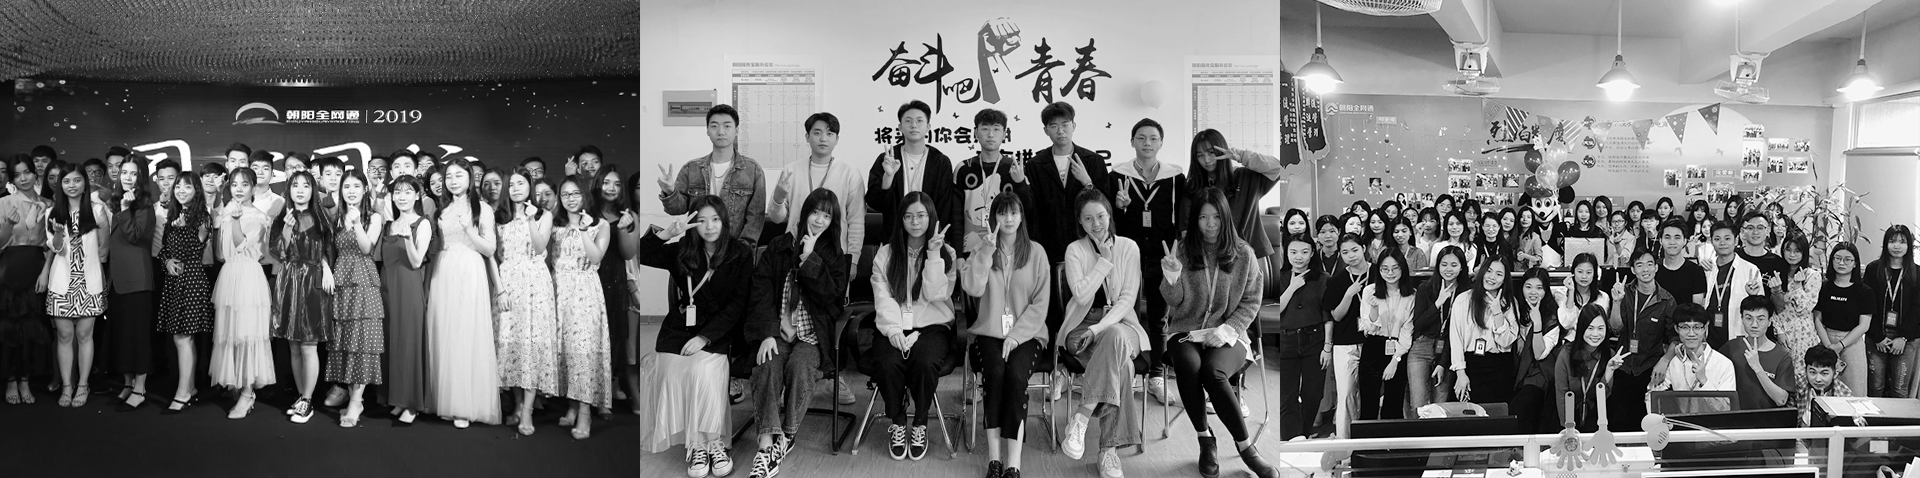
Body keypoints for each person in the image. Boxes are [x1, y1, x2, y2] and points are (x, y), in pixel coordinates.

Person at [1160, 187, 1279, 478]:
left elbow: (1252, 301)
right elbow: (1174, 302)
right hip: (1187, 331)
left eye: (1215, 216)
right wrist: (1172, 276)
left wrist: (1227, 330)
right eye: (1203, 217)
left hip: (1230, 333)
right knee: (1188, 365)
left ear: (1225, 217)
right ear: (1195, 219)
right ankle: (1205, 440)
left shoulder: (1243, 253)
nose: (1210, 224)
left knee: (1213, 373)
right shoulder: (1184, 250)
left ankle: (1247, 449)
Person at [639, 193, 750, 477]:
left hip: (719, 329)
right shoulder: (683, 250)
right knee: (670, 368)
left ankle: (713, 441)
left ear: (724, 222)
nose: (709, 226)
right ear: (693, 223)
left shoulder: (740, 253)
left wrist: (705, 338)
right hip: (682, 326)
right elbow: (641, 254)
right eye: (701, 220)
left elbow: (738, 305)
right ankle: (696, 444)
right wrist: (667, 233)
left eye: (715, 219)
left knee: (703, 371)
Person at [743, 188, 848, 476]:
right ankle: (766, 444)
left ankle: (786, 436)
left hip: (811, 336)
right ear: (805, 213)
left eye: (826, 216)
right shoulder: (779, 247)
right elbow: (760, 291)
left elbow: (832, 300)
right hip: (777, 332)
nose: (819, 220)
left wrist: (811, 259)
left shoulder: (834, 255)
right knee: (767, 364)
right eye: (815, 212)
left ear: (833, 221)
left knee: (801, 367)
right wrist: (767, 333)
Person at [959, 190, 1049, 476]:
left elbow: (1040, 304)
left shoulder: (1036, 252)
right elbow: (972, 289)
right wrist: (986, 253)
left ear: (1021, 217)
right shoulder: (981, 248)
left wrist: (1015, 336)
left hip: (1028, 335)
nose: (1008, 219)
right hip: (987, 333)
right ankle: (994, 460)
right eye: (1001, 213)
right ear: (992, 218)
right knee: (995, 374)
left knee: (1016, 376)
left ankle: (1013, 463)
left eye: (1013, 213)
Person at [1056, 189, 1146, 476]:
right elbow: (1081, 296)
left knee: (1115, 336)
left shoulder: (1129, 247)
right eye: (1088, 219)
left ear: (1110, 215)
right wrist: (1103, 262)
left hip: (1121, 324)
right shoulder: (1075, 250)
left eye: (1101, 216)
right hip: (1080, 327)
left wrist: (1099, 329)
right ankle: (1108, 452)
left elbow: (1127, 300)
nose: (1096, 224)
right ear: (1080, 222)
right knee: (1124, 367)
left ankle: (1081, 418)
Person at [871, 191, 958, 463]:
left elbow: (936, 294)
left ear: (931, 217)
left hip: (933, 324)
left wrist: (933, 254)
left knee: (924, 362)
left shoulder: (947, 253)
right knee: (886, 363)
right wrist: (894, 330)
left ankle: (920, 422)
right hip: (895, 324)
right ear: (901, 219)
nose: (915, 222)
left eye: (921, 215)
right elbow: (883, 297)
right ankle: (897, 420)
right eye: (909, 216)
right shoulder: (886, 254)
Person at [426, 157, 500, 428]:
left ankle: (465, 406)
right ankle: (445, 399)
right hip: (443, 269)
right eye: (449, 176)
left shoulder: (482, 208)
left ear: (470, 178)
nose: (453, 181)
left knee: (465, 334)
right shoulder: (442, 209)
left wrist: (470, 230)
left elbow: (490, 249)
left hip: (469, 269)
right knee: (443, 332)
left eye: (459, 175)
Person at [313, 170, 385, 427]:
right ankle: (347, 392)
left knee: (362, 340)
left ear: (365, 189)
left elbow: (367, 248)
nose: (351, 191)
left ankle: (356, 401)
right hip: (340, 280)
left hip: (363, 279)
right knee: (343, 340)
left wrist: (356, 224)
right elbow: (323, 248)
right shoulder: (334, 218)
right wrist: (325, 267)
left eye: (356, 186)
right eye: (347, 187)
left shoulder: (373, 217)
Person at [491, 168, 557, 434]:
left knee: (531, 344)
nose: (516, 188)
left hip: (535, 283)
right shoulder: (498, 217)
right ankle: (517, 404)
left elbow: (540, 248)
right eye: (512, 184)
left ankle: (528, 411)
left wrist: (530, 219)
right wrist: (499, 289)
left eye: (522, 183)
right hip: (507, 281)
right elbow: (492, 255)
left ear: (530, 186)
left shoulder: (543, 215)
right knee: (511, 345)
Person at [269, 171, 335, 424]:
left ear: (313, 190)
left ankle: (307, 400)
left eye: (305, 186)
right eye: (295, 185)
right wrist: (286, 227)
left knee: (309, 344)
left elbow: (329, 250)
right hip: (288, 281)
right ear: (288, 190)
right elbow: (278, 252)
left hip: (312, 283)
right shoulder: (282, 218)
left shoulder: (322, 218)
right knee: (293, 345)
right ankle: (301, 397)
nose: (300, 190)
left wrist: (326, 267)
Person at [209, 167, 275, 419]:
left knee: (247, 334)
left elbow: (241, 245)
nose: (238, 189)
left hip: (248, 276)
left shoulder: (259, 217)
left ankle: (248, 393)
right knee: (230, 332)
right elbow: (220, 251)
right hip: (229, 275)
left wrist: (235, 221)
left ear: (253, 188)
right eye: (234, 184)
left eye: (244, 184)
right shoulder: (227, 211)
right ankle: (236, 384)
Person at [44, 161, 110, 408]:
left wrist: (99, 276)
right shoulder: (52, 213)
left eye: (77, 180)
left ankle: (83, 385)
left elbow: (104, 249)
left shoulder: (97, 210)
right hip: (62, 282)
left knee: (84, 335)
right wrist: (58, 233)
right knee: (64, 335)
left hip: (89, 282)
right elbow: (57, 249)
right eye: (66, 181)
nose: (71, 185)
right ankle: (66, 386)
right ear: (60, 185)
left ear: (85, 183)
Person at [553, 176, 614, 440]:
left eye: (576, 193)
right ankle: (571, 405)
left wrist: (582, 230)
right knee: (565, 352)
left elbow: (596, 257)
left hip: (585, 292)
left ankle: (586, 412)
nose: (570, 198)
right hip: (558, 292)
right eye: (565, 194)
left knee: (582, 352)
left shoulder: (601, 225)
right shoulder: (554, 225)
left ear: (585, 194)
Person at [767, 112, 866, 267]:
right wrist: (778, 199)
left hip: (834, 254)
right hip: (793, 250)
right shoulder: (791, 171)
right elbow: (776, 218)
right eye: (817, 133)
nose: (823, 139)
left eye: (830, 133)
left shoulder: (850, 173)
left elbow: (856, 220)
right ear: (807, 137)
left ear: (837, 139)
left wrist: (853, 260)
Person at [659, 103, 767, 241]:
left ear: (737, 130)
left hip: (735, 247)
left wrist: (743, 250)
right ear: (707, 131)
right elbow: (676, 210)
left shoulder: (752, 170)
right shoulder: (691, 168)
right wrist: (670, 191)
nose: (721, 132)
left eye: (727, 126)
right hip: (697, 246)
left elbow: (755, 219)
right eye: (714, 126)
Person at [866, 100, 960, 252]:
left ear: (928, 127)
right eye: (908, 121)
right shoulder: (888, 158)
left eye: (919, 121)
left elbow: (944, 207)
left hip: (930, 240)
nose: (914, 125)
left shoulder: (940, 162)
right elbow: (874, 201)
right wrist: (888, 177)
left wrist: (935, 236)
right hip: (893, 237)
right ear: (900, 127)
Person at [154, 171, 212, 413]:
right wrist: (167, 262)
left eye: (187, 186)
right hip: (174, 281)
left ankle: (183, 392)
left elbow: (195, 249)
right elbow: (164, 250)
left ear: (196, 190)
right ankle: (189, 387)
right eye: (178, 186)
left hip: (193, 280)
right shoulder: (174, 215)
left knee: (183, 337)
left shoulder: (202, 217)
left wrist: (183, 229)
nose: (180, 190)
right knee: (183, 338)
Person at [1186, 129, 1289, 259]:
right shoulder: (1194, 187)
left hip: (1251, 253)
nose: (1206, 160)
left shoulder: (1244, 177)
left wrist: (1242, 156)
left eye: (1211, 153)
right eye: (1200, 155)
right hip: (1212, 256)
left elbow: (1278, 167)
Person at [379, 176, 433, 425]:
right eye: (398, 192)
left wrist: (408, 238)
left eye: (408, 192)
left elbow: (416, 261)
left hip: (409, 289)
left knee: (410, 342)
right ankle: (397, 398)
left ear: (417, 195)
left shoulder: (423, 223)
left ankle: (412, 403)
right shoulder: (388, 224)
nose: (402, 197)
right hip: (387, 287)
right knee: (392, 341)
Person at [106, 158, 157, 410]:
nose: (127, 177)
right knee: (122, 335)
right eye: (123, 172)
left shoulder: (145, 205)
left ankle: (140, 387)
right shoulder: (115, 202)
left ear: (141, 177)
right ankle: (127, 383)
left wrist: (126, 209)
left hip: (137, 281)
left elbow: (134, 235)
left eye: (133, 173)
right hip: (117, 281)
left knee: (137, 336)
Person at [0, 157, 49, 406]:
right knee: (9, 328)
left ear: (35, 174)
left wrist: (46, 271)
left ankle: (25, 380)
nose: (23, 178)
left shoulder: (49, 203)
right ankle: (10, 380)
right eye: (18, 175)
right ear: (12, 179)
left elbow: (52, 244)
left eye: (27, 172)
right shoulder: (4, 203)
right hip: (10, 267)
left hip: (38, 267)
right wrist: (8, 224)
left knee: (33, 328)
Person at [1449, 254, 1518, 406]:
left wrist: (1498, 312)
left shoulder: (1510, 303)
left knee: (1496, 416)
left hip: (1499, 367)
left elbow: (1506, 342)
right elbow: (1456, 340)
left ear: (1504, 279)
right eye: (1489, 271)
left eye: (1499, 274)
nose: (1492, 277)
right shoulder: (1463, 300)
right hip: (1470, 366)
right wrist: (1460, 373)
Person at [1357, 247, 1415, 421]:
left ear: (1402, 268)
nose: (1390, 273)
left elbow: (1407, 330)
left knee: (1394, 403)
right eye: (1385, 269)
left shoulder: (1411, 295)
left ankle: (1391, 438)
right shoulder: (1370, 291)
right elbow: (1367, 327)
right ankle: (1367, 439)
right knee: (1368, 402)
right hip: (1373, 346)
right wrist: (1374, 309)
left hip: (1398, 349)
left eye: (1395, 268)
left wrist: (1395, 360)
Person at [1409, 245, 1470, 409]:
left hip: (1450, 349)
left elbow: (1458, 333)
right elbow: (1419, 323)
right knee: (1418, 405)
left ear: (1461, 267)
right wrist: (1438, 303)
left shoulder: (1466, 293)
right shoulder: (1425, 288)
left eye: (1454, 265)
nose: (1448, 269)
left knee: (1441, 405)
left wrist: (1443, 363)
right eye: (1444, 264)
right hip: (1422, 346)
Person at [1865, 225, 1918, 398]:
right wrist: (1878, 336)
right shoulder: (1873, 270)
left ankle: (1898, 418)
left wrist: (1903, 337)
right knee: (1875, 387)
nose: (1897, 246)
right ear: (1885, 244)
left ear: (1909, 245)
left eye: (1902, 242)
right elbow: (1867, 306)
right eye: (1892, 241)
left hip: (1906, 340)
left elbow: (1917, 309)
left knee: (1900, 389)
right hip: (1876, 338)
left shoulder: (1917, 273)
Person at [1326, 233, 1371, 438]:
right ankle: (1344, 442)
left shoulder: (1379, 272)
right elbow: (1336, 315)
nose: (1351, 255)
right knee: (1346, 394)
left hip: (1374, 341)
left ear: (1364, 248)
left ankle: (1369, 438)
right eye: (1345, 252)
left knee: (1371, 393)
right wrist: (1349, 294)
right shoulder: (1337, 280)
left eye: (1354, 250)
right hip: (1345, 342)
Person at [1554, 304, 1621, 432]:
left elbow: (1603, 397)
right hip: (1568, 417)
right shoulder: (1566, 354)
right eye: (1590, 328)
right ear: (1581, 328)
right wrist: (1567, 427)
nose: (1595, 334)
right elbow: (1561, 394)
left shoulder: (1609, 355)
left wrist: (1609, 371)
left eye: (1600, 328)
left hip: (1596, 417)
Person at [1722, 296, 1797, 410]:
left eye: (1760, 319)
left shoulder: (1782, 356)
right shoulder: (1731, 347)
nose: (1754, 324)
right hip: (1734, 417)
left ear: (1769, 321)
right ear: (1742, 319)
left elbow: (1781, 400)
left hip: (1766, 419)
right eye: (1749, 318)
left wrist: (1758, 369)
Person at [1817, 242, 1872, 395]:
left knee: (1855, 391)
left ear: (1855, 263)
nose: (1842, 263)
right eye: (1838, 258)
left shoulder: (1864, 291)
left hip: (1852, 344)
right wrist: (1828, 345)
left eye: (1848, 259)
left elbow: (1864, 325)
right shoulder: (1824, 287)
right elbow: (1817, 318)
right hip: (1826, 341)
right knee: (1824, 390)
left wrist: (1840, 345)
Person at [1773, 233, 1823, 389]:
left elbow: (1804, 308)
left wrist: (1798, 287)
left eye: (1797, 251)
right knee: (1781, 377)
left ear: (1804, 252)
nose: (1792, 255)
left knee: (1802, 380)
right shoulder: (1778, 273)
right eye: (1788, 250)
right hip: (1781, 333)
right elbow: (1773, 307)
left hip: (1802, 335)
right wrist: (1779, 331)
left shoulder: (1812, 275)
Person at [1701, 222, 1762, 349]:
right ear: (1711, 241)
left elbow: (1761, 309)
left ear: (1736, 240)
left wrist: (1752, 296)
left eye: (1727, 238)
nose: (1722, 243)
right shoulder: (1707, 269)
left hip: (1738, 338)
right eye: (1717, 239)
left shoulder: (1750, 270)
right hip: (1710, 337)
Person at [1656, 302, 1737, 397]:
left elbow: (1726, 405)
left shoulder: (1723, 364)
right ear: (1676, 329)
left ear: (1705, 327)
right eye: (1685, 327)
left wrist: (1704, 380)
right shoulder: (1674, 362)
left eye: (1697, 327)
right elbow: (1652, 394)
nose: (1691, 334)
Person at [1794, 345, 1852, 427]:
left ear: (1835, 373)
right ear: (1805, 370)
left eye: (1824, 373)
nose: (1818, 379)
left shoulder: (1844, 393)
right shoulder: (1796, 384)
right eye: (1813, 372)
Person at [1655, 219, 1707, 306]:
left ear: (1685, 241)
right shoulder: (1653, 269)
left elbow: (1696, 308)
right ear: (1660, 241)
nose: (1672, 242)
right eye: (1667, 237)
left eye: (1677, 237)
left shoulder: (1696, 271)